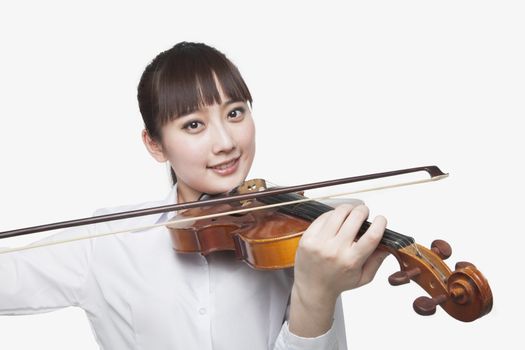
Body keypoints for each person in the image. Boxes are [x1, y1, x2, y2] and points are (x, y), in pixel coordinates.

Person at [0, 42, 388, 349]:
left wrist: (314, 294)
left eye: (235, 114)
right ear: (155, 144)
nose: (225, 143)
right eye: (194, 124)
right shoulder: (106, 242)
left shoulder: (300, 239)